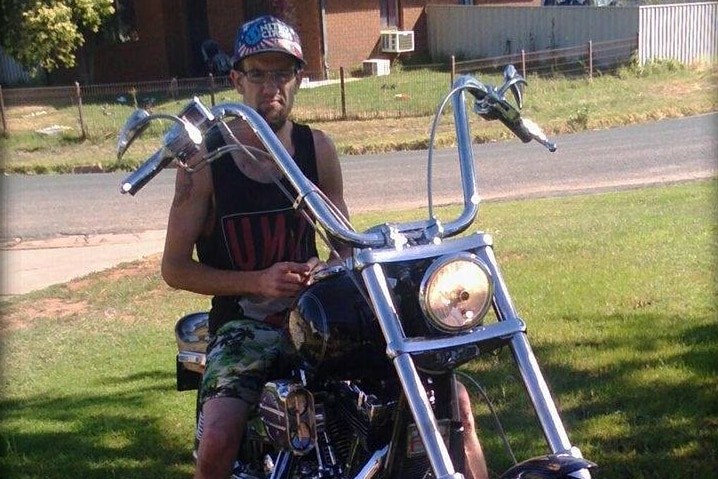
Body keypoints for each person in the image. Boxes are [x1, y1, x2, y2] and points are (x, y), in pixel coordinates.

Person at [161, 15, 488, 479]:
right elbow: (174, 269)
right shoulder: (205, 160)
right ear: (237, 79)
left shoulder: (318, 150)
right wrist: (256, 281)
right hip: (244, 325)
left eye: (282, 72)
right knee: (218, 436)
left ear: (298, 79)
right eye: (258, 72)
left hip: (319, 316)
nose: (270, 85)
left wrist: (328, 266)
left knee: (450, 400)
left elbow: (345, 242)